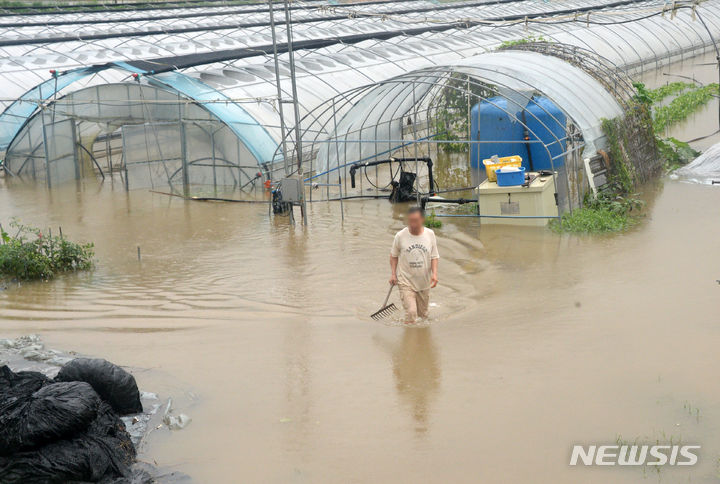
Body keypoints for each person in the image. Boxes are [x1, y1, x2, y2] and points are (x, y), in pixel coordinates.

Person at [389, 207, 440, 322]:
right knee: (411, 312)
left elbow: (434, 256)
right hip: (406, 281)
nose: (412, 224)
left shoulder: (430, 234)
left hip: (424, 282)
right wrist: (393, 274)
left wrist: (435, 274)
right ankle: (409, 339)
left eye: (415, 220)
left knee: (423, 316)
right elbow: (393, 255)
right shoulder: (400, 236)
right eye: (410, 220)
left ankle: (421, 338)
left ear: (422, 220)